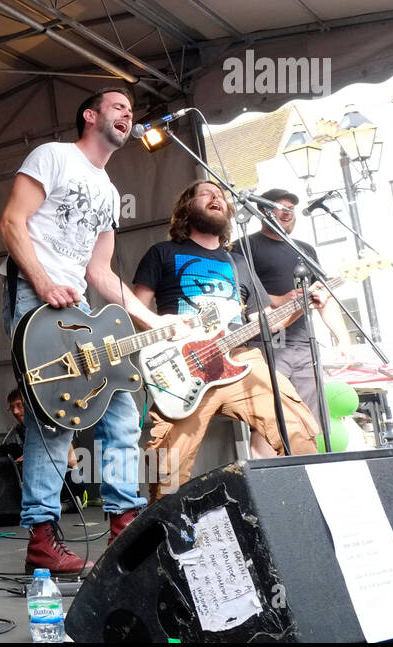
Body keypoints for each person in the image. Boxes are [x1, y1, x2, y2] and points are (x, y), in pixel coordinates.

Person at [0, 87, 176, 575]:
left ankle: (125, 524)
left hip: (79, 311)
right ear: (90, 115)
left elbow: (100, 272)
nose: (128, 114)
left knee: (121, 408)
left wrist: (156, 322)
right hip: (35, 298)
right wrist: (44, 281)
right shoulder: (53, 156)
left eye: (131, 111)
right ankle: (41, 539)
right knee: (53, 421)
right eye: (119, 106)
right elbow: (12, 223)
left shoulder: (111, 193)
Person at [131, 181, 319, 497]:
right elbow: (134, 308)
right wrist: (165, 347)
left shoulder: (238, 262)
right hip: (183, 366)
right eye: (207, 193)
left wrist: (301, 305)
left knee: (298, 426)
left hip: (239, 358)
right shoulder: (163, 253)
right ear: (185, 208)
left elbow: (263, 322)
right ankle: (165, 535)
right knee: (167, 466)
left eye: (221, 195)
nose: (217, 196)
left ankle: (306, 509)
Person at [242, 187, 354, 414]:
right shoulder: (245, 245)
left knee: (311, 419)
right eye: (281, 208)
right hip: (267, 343)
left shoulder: (304, 249)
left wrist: (343, 340)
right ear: (263, 210)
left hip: (304, 343)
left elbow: (325, 298)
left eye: (291, 209)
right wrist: (282, 299)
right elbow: (241, 294)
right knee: (273, 417)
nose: (287, 213)